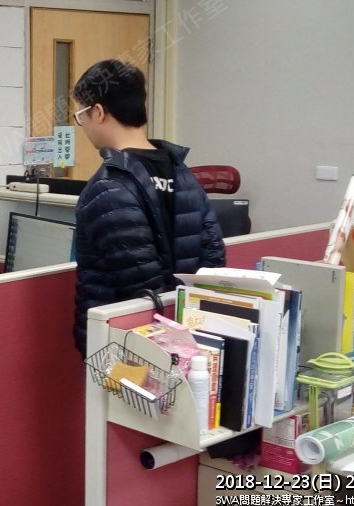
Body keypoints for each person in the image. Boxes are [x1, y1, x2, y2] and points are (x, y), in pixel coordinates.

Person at [71, 59, 226, 358]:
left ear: (98, 112)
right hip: (188, 337)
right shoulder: (184, 174)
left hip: (125, 346)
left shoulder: (107, 187)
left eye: (82, 115)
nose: (84, 125)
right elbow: (213, 260)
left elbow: (141, 291)